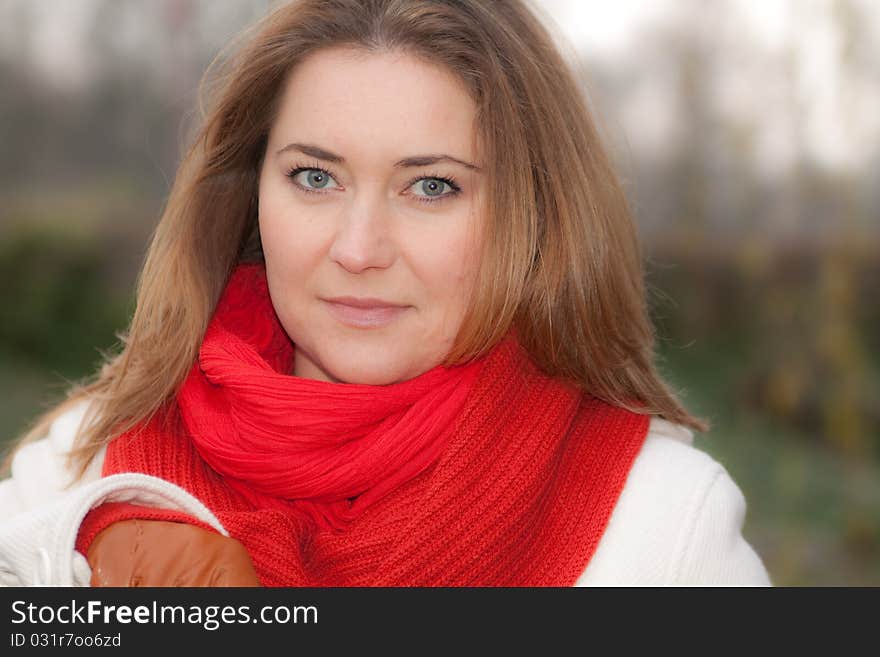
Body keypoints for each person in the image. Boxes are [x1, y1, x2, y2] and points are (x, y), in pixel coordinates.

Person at [0, 0, 771, 587]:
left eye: (431, 186)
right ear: (250, 196)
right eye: (315, 177)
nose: (359, 249)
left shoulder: (668, 531)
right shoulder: (83, 468)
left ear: (531, 218)